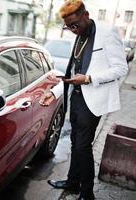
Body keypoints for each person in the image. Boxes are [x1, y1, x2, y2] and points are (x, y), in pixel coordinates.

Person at [39, 0, 128, 199]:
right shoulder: (76, 35)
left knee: (82, 146)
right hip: (77, 99)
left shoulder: (107, 32)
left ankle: (87, 193)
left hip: (93, 100)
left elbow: (122, 69)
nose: (71, 30)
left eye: (74, 25)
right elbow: (71, 71)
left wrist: (89, 79)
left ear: (85, 15)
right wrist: (53, 92)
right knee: (74, 143)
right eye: (68, 26)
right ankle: (72, 182)